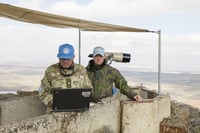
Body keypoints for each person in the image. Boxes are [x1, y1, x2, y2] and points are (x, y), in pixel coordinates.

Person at [39, 43, 92, 113]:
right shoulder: (50, 71)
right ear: (58, 57)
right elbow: (43, 94)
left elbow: (88, 91)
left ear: (73, 57)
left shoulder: (81, 70)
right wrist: (59, 102)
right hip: (55, 113)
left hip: (78, 113)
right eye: (62, 59)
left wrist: (79, 101)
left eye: (68, 59)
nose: (65, 61)